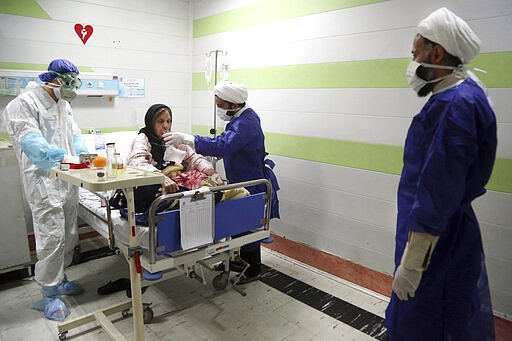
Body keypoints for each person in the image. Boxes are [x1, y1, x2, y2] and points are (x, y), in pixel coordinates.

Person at [385, 8, 497, 340]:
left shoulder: (454, 106)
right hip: (440, 231)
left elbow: (437, 192)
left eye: (415, 53)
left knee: (425, 321)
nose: (412, 62)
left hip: (437, 241)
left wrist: (413, 263)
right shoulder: (463, 94)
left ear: (436, 53)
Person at [164, 80, 280, 284]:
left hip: (250, 180)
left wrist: (189, 139)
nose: (218, 109)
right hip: (239, 178)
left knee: (247, 224)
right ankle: (238, 260)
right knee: (238, 222)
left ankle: (252, 270)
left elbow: (223, 143)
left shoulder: (246, 122)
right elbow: (231, 144)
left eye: (220, 105)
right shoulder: (240, 118)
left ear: (233, 105)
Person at [2, 59, 88, 321]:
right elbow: (32, 143)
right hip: (42, 180)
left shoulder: (64, 104)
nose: (74, 86)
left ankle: (60, 279)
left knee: (67, 231)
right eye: (71, 80)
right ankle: (49, 294)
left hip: (66, 178)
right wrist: (61, 156)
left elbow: (73, 132)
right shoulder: (23, 104)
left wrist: (82, 150)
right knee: (51, 236)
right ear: (55, 79)